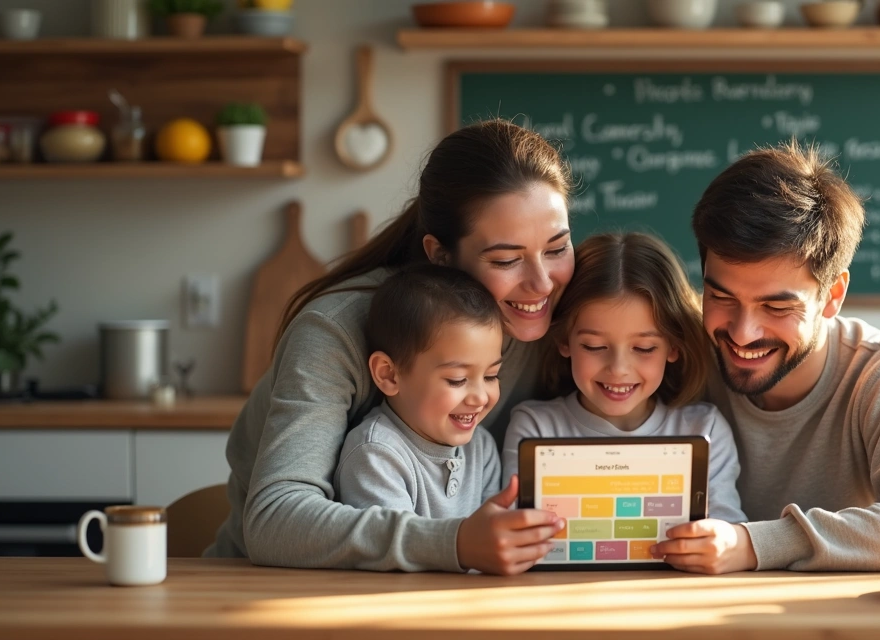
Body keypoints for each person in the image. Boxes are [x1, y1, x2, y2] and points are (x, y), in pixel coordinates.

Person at [206, 120, 576, 575]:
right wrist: (455, 543)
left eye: (557, 248)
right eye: (506, 259)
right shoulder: (335, 330)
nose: (542, 282)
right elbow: (275, 520)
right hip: (264, 590)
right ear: (440, 255)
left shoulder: (565, 316)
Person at [650, 141, 880, 574]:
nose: (742, 332)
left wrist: (755, 544)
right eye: (721, 295)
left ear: (833, 295)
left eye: (776, 307)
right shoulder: (675, 353)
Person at [333, 264, 564, 574]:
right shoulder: (375, 455)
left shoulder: (480, 446)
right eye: (457, 380)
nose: (480, 397)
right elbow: (391, 563)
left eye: (492, 375)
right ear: (388, 374)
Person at [502, 232, 745, 524]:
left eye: (643, 348)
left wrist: (715, 542)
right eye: (594, 347)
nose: (618, 369)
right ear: (564, 341)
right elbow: (517, 531)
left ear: (673, 346)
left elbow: (729, 534)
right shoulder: (536, 428)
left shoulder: (704, 430)